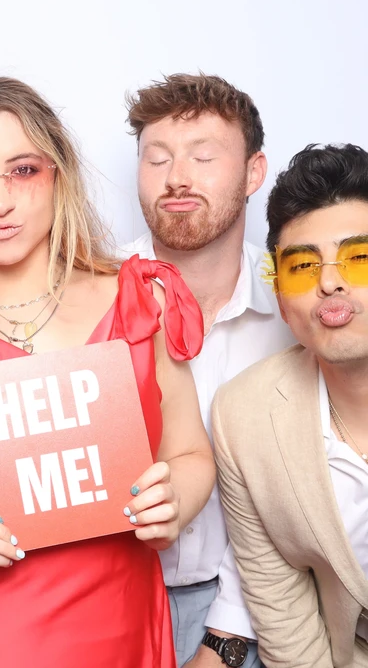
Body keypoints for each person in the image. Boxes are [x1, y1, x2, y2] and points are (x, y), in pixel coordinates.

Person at [0, 77, 216, 667]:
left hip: (122, 633)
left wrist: (176, 498)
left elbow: (191, 454)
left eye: (23, 170)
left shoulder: (139, 303)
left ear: (58, 178)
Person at [123, 73, 296, 667]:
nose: (177, 178)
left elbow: (305, 498)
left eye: (203, 156)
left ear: (253, 172)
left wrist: (225, 641)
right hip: (110, 600)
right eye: (157, 158)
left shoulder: (296, 310)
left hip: (260, 612)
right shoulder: (86, 294)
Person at [213, 143, 368, 668]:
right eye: (303, 266)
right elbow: (282, 611)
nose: (330, 282)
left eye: (359, 258)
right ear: (279, 292)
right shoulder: (243, 416)